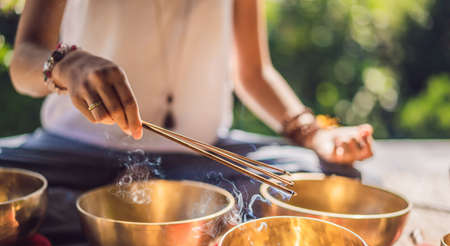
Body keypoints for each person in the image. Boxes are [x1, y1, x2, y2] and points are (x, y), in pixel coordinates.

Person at [9, 0, 373, 166]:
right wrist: (65, 64)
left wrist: (313, 133)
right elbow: (24, 57)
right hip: (72, 157)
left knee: (323, 178)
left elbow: (253, 72)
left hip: (202, 162)